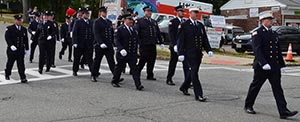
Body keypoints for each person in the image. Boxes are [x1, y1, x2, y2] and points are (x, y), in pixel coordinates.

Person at [244, 11, 298, 119]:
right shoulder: (257, 33)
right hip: (262, 67)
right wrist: (263, 63)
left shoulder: (274, 33)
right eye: (269, 20)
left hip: (274, 67)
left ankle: (283, 111)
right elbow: (257, 50)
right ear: (263, 21)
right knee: (255, 87)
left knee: (278, 89)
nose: (271, 22)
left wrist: (282, 65)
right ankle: (248, 105)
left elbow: (277, 51)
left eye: (271, 20)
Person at [177, 7, 213, 102]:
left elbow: (204, 39)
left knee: (193, 72)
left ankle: (184, 87)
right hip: (188, 54)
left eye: (198, 13)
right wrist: (180, 53)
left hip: (197, 53)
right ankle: (199, 94)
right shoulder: (184, 25)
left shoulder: (200, 25)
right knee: (194, 74)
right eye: (195, 13)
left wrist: (208, 49)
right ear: (190, 13)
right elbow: (180, 40)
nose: (197, 14)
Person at [111, 14, 144, 90]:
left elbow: (136, 41)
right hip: (123, 53)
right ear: (125, 20)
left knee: (134, 69)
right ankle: (115, 81)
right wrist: (121, 49)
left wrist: (137, 50)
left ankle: (138, 85)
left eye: (131, 20)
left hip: (131, 53)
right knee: (119, 67)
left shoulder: (133, 30)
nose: (131, 21)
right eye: (129, 20)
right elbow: (116, 40)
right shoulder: (119, 29)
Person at [134, 6, 164, 80]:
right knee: (143, 59)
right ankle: (137, 73)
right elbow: (136, 32)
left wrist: (161, 42)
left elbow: (157, 32)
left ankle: (150, 74)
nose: (149, 13)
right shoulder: (140, 21)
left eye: (150, 11)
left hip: (152, 44)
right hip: (144, 44)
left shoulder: (154, 21)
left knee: (152, 60)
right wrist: (137, 43)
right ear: (144, 12)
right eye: (147, 11)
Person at [92, 6, 117, 82]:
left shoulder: (109, 22)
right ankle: (93, 75)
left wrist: (114, 44)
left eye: (105, 12)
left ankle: (116, 76)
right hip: (100, 45)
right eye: (103, 12)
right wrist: (100, 43)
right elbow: (96, 33)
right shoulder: (97, 21)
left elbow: (111, 34)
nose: (105, 13)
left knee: (111, 61)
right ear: (100, 13)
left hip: (108, 45)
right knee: (97, 61)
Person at [166, 5, 188, 86]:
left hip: (183, 46)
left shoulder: (185, 22)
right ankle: (169, 78)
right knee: (173, 62)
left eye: (183, 11)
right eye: (181, 11)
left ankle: (187, 80)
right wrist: (174, 44)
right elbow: (171, 35)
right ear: (177, 12)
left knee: (186, 64)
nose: (182, 13)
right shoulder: (173, 21)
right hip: (175, 46)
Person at [4, 15, 29, 83]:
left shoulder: (24, 29)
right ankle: (7, 74)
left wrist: (27, 49)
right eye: (18, 20)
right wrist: (11, 45)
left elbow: (25, 39)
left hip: (20, 50)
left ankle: (23, 77)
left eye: (20, 20)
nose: (19, 21)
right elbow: (7, 38)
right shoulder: (9, 28)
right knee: (10, 63)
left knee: (21, 64)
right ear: (15, 20)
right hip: (12, 50)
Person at [72, 8, 94, 79]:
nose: (87, 15)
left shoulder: (91, 22)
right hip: (79, 44)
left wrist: (93, 42)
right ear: (82, 14)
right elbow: (75, 33)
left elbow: (93, 33)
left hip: (88, 44)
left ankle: (93, 73)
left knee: (90, 59)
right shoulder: (78, 22)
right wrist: (74, 42)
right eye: (85, 14)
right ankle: (75, 70)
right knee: (77, 58)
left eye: (88, 14)